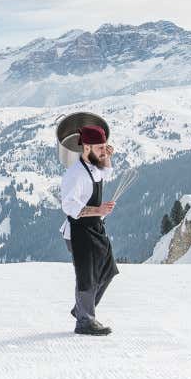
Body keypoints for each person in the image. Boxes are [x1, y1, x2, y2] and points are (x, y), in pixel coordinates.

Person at [60, 125, 119, 336]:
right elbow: (69, 206)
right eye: (100, 147)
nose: (105, 150)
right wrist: (98, 210)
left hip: (95, 227)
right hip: (79, 231)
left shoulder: (93, 166)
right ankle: (84, 321)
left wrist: (105, 156)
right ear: (86, 148)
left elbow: (107, 172)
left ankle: (81, 309)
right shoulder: (75, 174)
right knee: (87, 275)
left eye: (105, 146)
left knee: (108, 270)